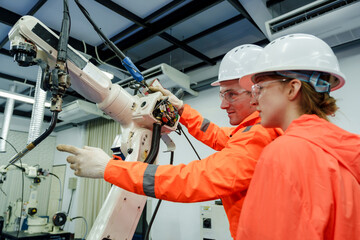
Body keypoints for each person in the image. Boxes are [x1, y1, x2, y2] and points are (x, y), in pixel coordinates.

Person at [57, 44, 282, 238]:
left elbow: (189, 180)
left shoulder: (262, 135)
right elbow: (215, 134)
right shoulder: (254, 131)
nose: (223, 104)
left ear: (257, 90)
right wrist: (181, 109)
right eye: (222, 95)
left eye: (231, 94)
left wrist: (108, 167)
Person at [236, 33, 360, 239]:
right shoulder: (343, 152)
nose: (254, 101)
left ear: (292, 88)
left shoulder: (283, 153)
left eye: (260, 88)